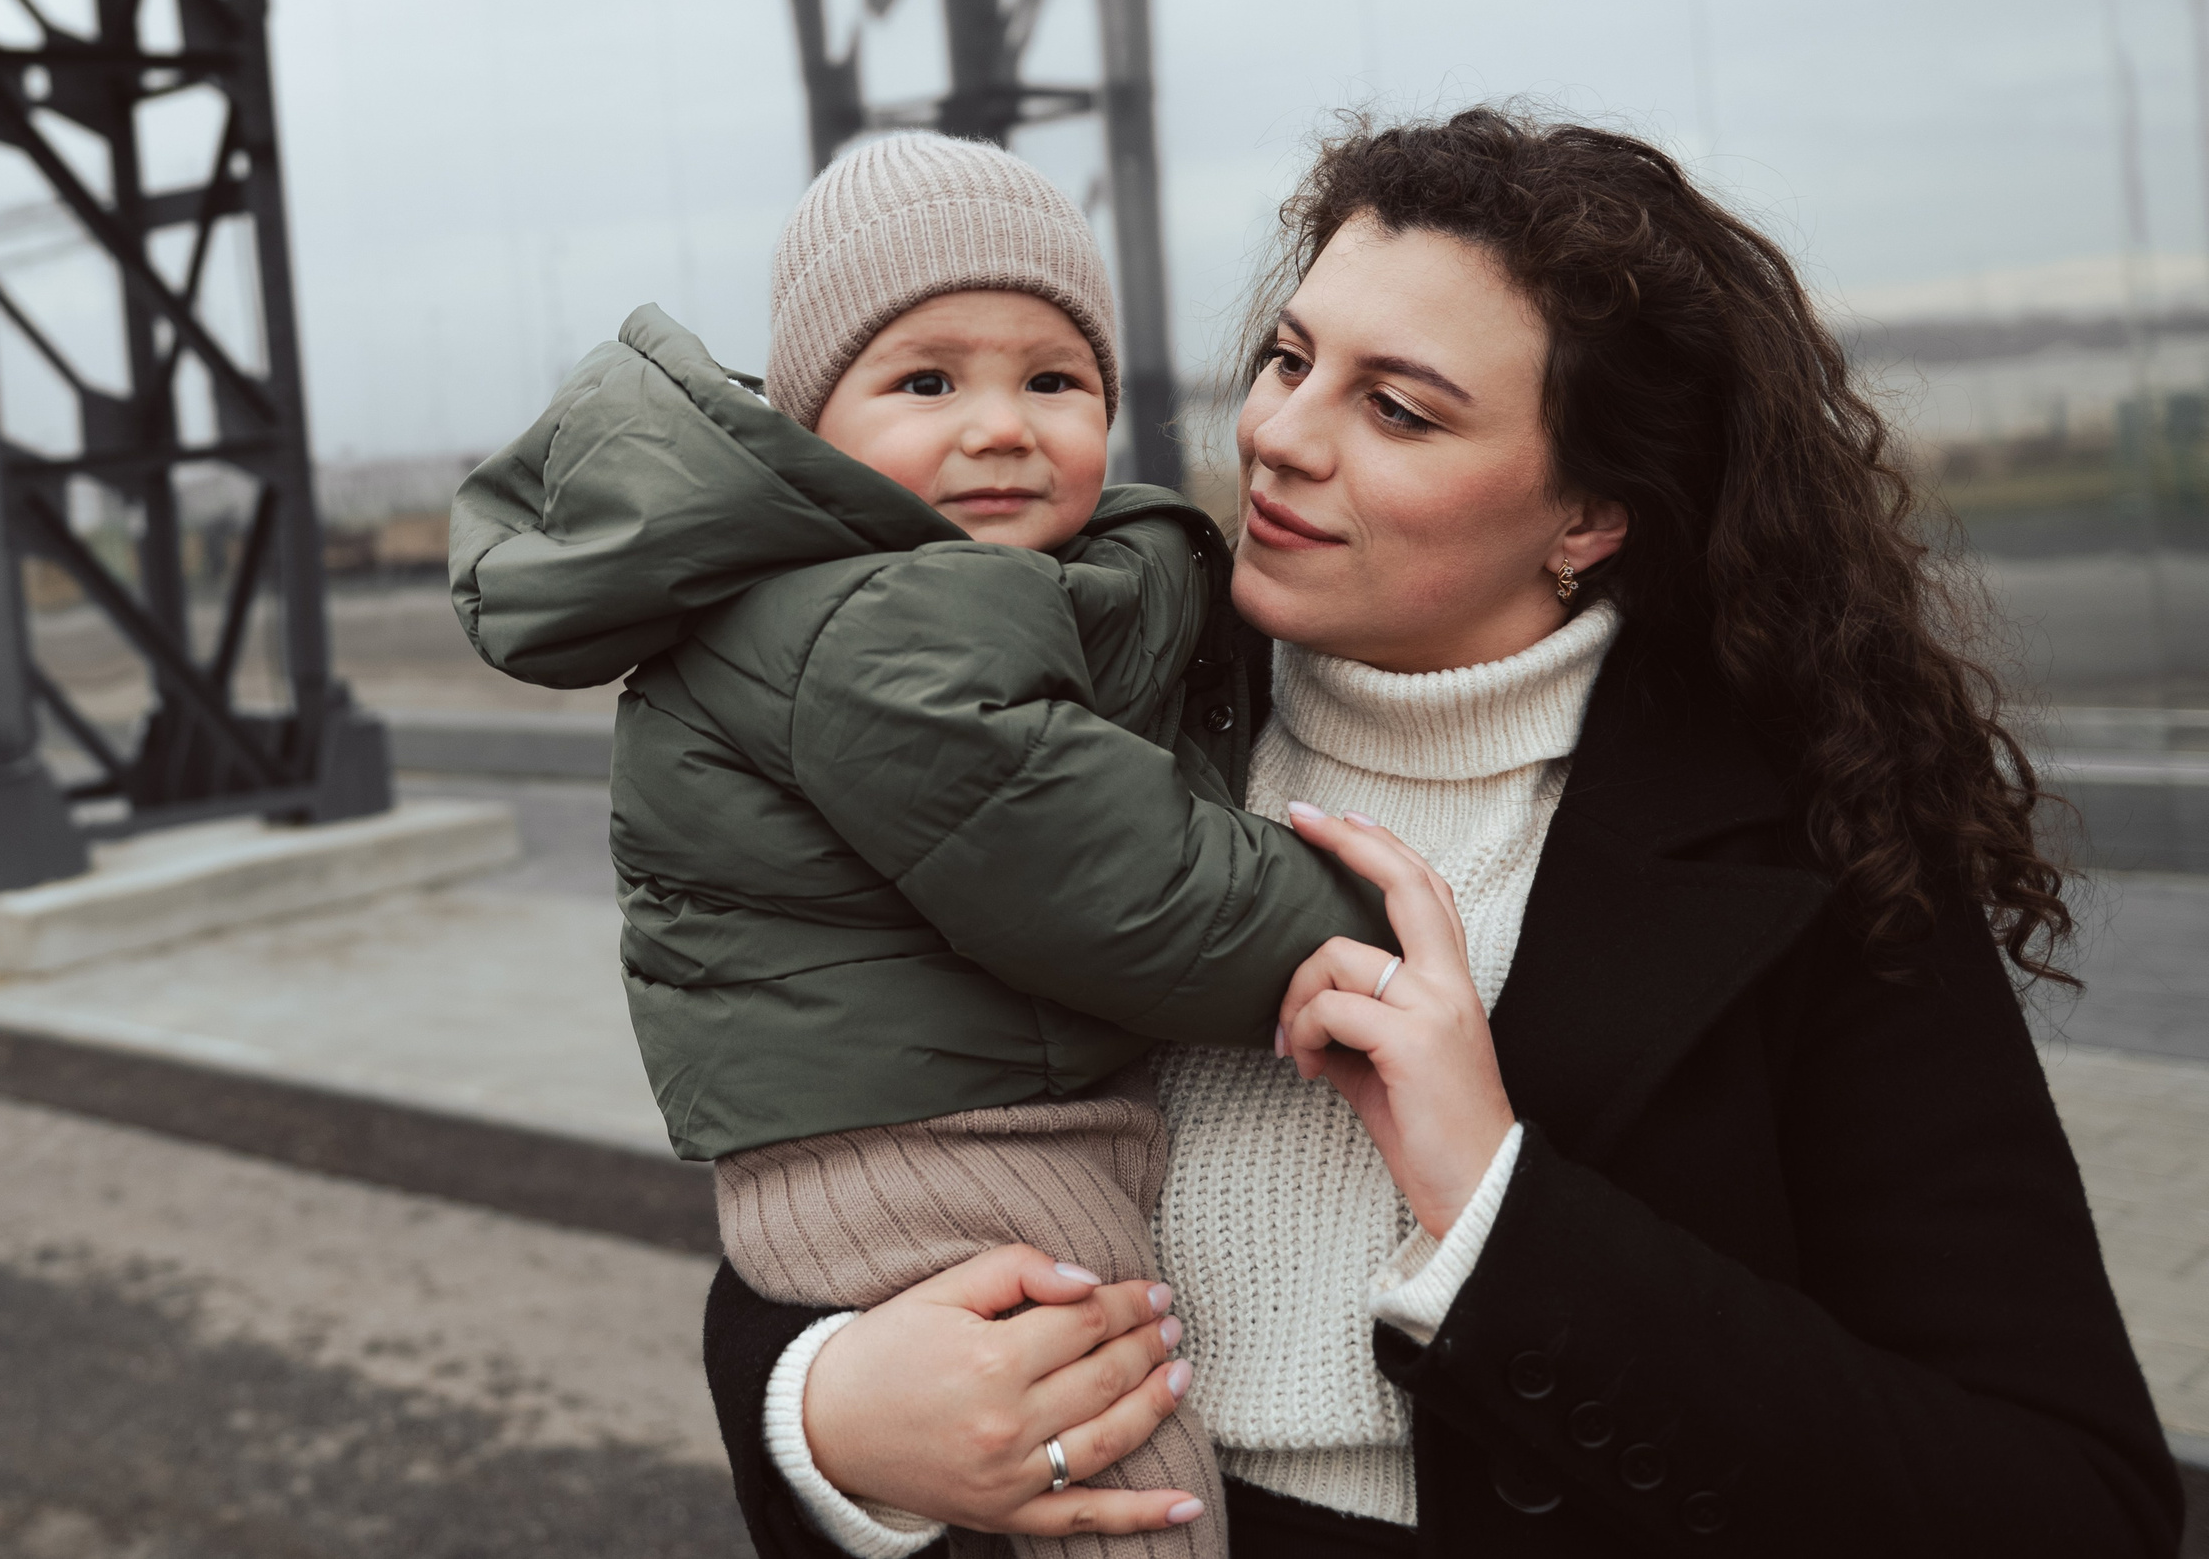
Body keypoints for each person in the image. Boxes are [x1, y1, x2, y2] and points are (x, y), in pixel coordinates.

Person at [700, 109, 2186, 1558]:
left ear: (1588, 516)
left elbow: (2066, 1502)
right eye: (1290, 358)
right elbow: (832, 1146)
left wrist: (1494, 1207)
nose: (1277, 435)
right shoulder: (1065, 708)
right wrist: (822, 1418)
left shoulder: (1808, 851)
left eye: (1398, 409)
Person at [450, 133, 1402, 1559]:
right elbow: (1121, 886)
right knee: (1126, 1466)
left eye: (1054, 381)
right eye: (927, 382)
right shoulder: (881, 626)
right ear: (812, 424)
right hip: (930, 1148)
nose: (1002, 426)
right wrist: (1371, 923)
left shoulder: (962, 595)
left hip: (937, 1122)